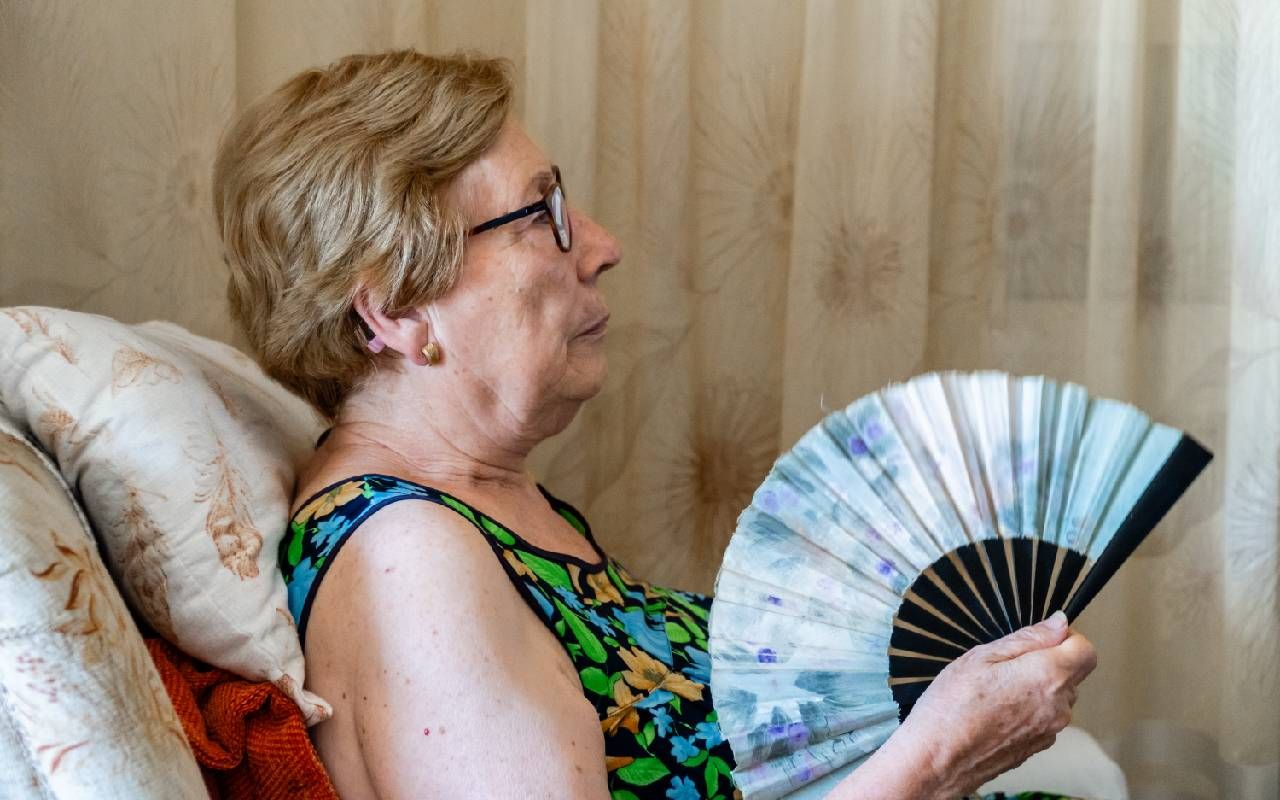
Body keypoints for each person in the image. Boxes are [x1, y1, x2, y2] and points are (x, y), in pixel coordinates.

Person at [212, 50, 1097, 799]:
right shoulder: (409, 562)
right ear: (396, 312)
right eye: (542, 215)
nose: (599, 245)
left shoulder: (493, 499)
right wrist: (937, 758)